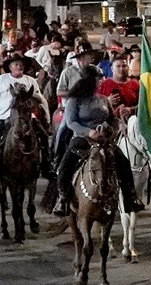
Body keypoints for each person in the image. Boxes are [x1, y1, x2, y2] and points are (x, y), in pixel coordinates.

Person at [52, 67, 139, 217]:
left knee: (123, 162)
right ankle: (62, 198)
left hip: (104, 140)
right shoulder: (75, 100)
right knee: (65, 166)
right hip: (82, 139)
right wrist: (89, 132)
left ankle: (130, 197)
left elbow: (112, 119)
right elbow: (71, 122)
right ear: (89, 80)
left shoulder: (103, 99)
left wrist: (119, 126)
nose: (101, 82)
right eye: (99, 79)